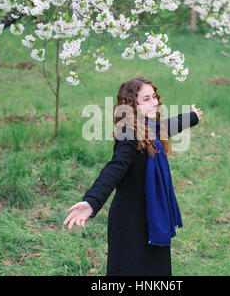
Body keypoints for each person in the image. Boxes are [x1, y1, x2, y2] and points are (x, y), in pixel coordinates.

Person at [63, 77, 204, 275]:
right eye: (146, 99)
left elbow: (169, 126)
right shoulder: (128, 136)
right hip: (131, 222)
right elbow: (113, 170)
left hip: (152, 215)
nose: (154, 103)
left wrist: (192, 117)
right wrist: (92, 201)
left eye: (154, 97)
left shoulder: (151, 128)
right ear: (131, 105)